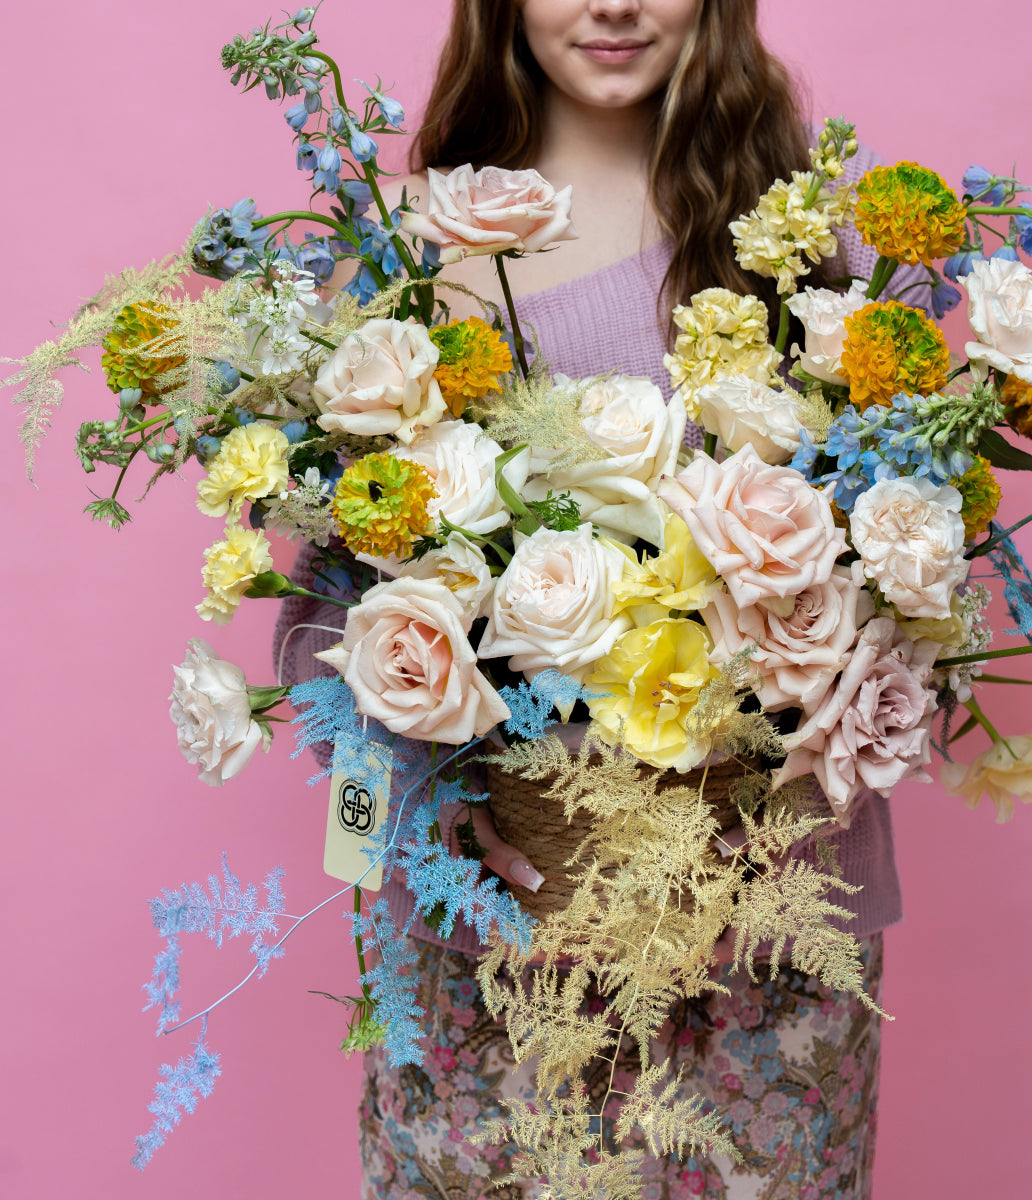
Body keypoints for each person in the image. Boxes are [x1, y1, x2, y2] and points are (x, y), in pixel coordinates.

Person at [276, 2, 927, 1195]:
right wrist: (426, 811)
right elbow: (322, 611)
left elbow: (903, 576)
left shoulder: (797, 241)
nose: (615, 4)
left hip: (764, 923)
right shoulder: (408, 259)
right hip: (496, 932)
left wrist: (760, 818)